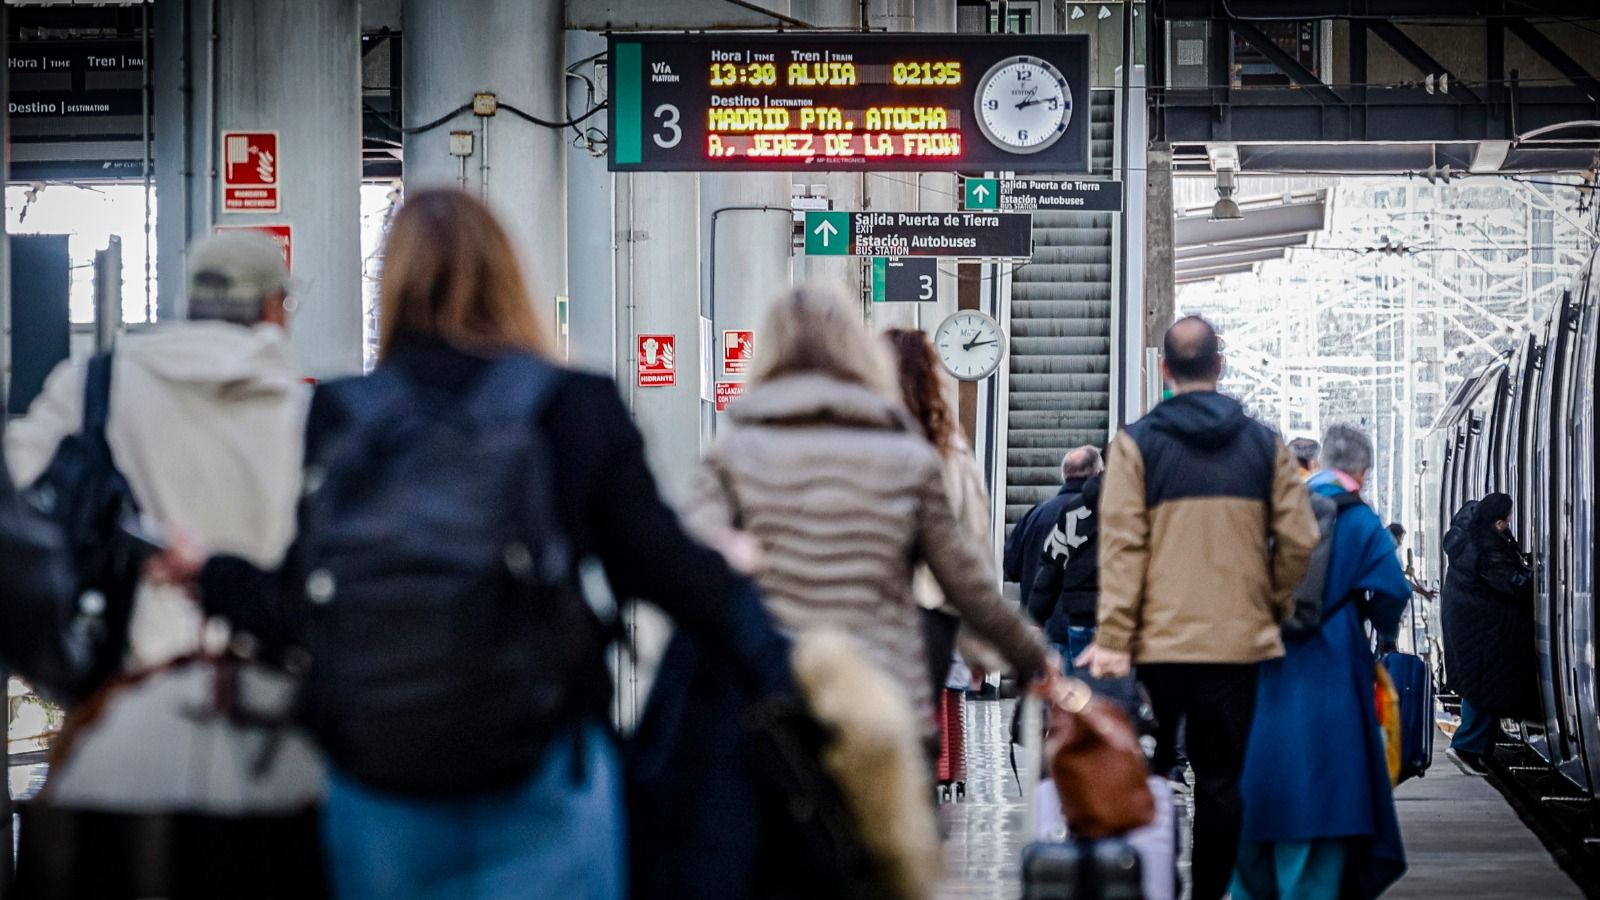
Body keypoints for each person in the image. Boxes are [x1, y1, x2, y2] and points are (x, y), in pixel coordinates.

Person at [153, 190, 792, 900]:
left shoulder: (341, 416)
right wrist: (775, 630)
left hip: (376, 780)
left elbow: (300, 603)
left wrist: (210, 574)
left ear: (392, 284)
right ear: (508, 274)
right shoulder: (572, 404)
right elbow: (666, 573)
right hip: (543, 772)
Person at [3, 231, 323, 893]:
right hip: (278, 732)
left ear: (188, 303)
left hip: (126, 715)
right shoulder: (309, 411)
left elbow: (18, 500)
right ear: (275, 308)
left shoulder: (97, 383)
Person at [687, 284, 1056, 729]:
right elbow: (966, 580)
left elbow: (693, 558)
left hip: (770, 690)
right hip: (885, 697)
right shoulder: (908, 460)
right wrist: (1030, 657)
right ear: (859, 355)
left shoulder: (732, 454)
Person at [1078, 315, 1318, 900]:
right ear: (1220, 365)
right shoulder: (1265, 445)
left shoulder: (1134, 445)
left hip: (1159, 643)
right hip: (1236, 643)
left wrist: (1113, 635)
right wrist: (1270, 601)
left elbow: (1122, 547)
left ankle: (1151, 881)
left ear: (1165, 370)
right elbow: (1301, 540)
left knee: (1151, 769)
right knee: (1220, 782)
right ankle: (1209, 894)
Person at [1233, 425, 1409, 900]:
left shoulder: (1277, 511)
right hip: (1333, 670)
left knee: (1259, 787)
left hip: (1263, 668)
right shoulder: (1359, 520)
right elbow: (1394, 589)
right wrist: (1379, 629)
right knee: (1325, 792)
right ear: (1363, 471)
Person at [883, 327, 1001, 698]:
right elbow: (972, 547)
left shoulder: (841, 443)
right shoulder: (950, 453)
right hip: (926, 618)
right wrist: (981, 642)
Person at [1439, 492, 1537, 776]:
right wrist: (1543, 573)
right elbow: (1513, 584)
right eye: (1506, 520)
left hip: (1476, 625)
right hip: (1484, 628)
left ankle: (1478, 748)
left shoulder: (1473, 539)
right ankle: (1467, 745)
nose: (1507, 525)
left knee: (1485, 686)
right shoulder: (1486, 546)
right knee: (1485, 688)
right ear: (1498, 522)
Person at [1005, 445, 1104, 619]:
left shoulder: (1034, 515)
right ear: (1098, 472)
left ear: (1064, 474)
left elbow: (1011, 568)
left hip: (1039, 627)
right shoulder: (1102, 514)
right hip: (1085, 625)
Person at [1029, 471, 1104, 671]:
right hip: (1123, 615)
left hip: (1080, 615)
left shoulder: (1073, 510)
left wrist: (1036, 617)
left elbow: (1052, 563)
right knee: (1121, 693)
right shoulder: (1139, 505)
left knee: (1081, 687)